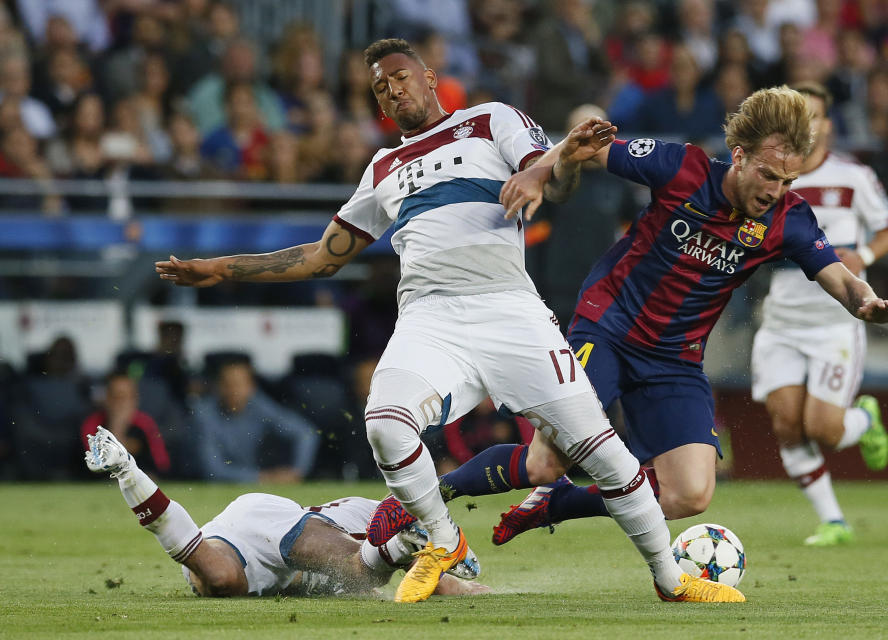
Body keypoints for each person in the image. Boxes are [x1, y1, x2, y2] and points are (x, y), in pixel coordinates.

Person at [156, 38, 744, 604]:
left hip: (508, 305)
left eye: (400, 76)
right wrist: (224, 268)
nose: (391, 90)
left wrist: (560, 161)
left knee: (602, 453)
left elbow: (555, 181)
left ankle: (671, 578)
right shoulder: (383, 168)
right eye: (379, 87)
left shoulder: (491, 120)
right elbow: (320, 256)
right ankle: (440, 540)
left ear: (430, 76)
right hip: (429, 317)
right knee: (385, 424)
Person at [366, 86, 888, 551]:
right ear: (739, 156)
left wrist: (863, 301)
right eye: (768, 175)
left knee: (689, 494)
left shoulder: (788, 220)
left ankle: (557, 508)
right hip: (608, 329)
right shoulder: (682, 168)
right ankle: (421, 498)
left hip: (674, 361)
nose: (775, 191)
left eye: (787, 182)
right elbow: (587, 145)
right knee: (542, 464)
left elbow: (837, 275)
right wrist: (540, 171)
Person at [750, 82, 888, 546]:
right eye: (799, 117)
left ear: (829, 125)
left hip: (835, 322)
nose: (808, 126)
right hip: (781, 320)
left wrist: (866, 258)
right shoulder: (771, 176)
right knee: (785, 424)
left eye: (815, 116)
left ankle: (865, 421)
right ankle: (833, 520)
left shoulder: (853, 177)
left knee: (823, 429)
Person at [84, 426, 485, 598]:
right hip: (266, 530)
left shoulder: (372, 517)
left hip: (254, 540)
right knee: (359, 571)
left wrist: (457, 580)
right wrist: (466, 585)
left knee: (221, 581)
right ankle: (128, 472)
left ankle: (127, 471)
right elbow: (435, 580)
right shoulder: (369, 516)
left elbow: (433, 579)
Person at [191, 357, 319, 483]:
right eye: (228, 385)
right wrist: (265, 478)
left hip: (251, 479)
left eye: (239, 384)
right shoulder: (203, 413)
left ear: (251, 387)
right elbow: (213, 471)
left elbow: (306, 433)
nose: (233, 391)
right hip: (197, 482)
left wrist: (297, 472)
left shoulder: (258, 406)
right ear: (218, 387)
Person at [81, 371, 171, 477]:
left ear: (135, 400)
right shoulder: (93, 423)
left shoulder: (145, 424)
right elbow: (94, 465)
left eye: (126, 398)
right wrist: (117, 428)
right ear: (107, 399)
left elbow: (162, 465)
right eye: (116, 397)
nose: (121, 404)